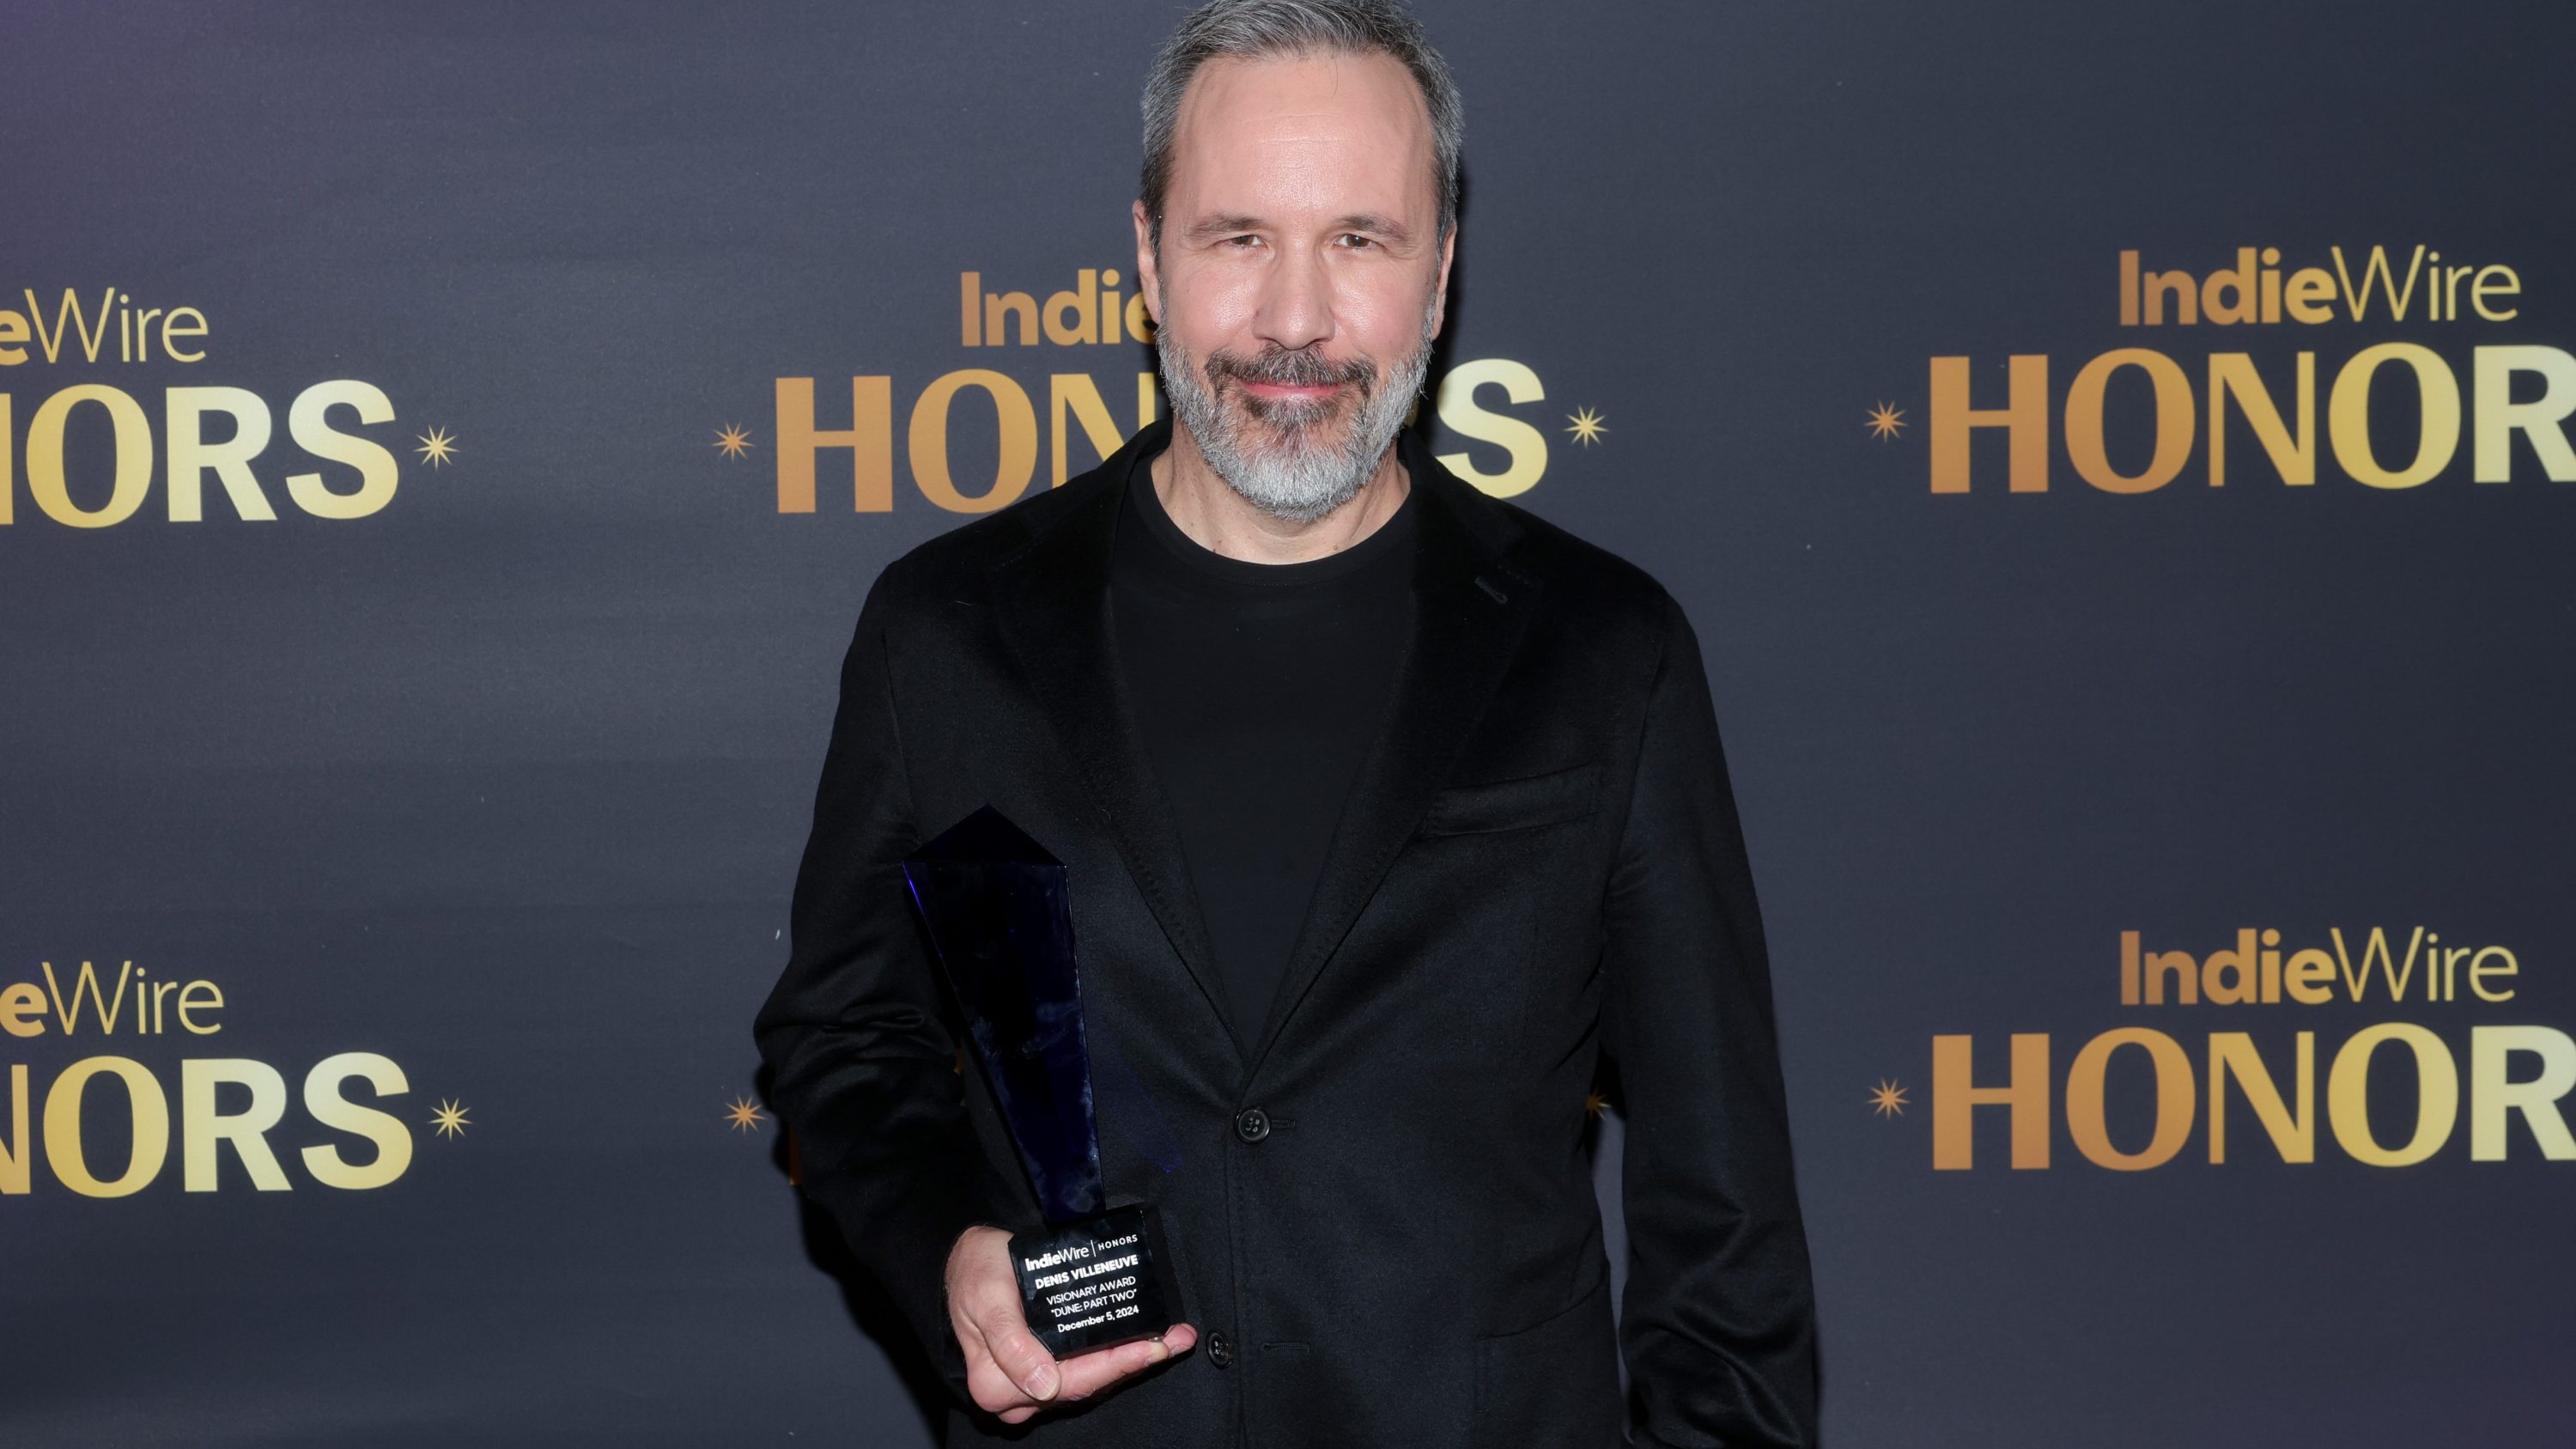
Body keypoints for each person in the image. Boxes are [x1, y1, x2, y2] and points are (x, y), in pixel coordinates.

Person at [751, 2, 1820, 1444]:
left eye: (1361, 241)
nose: (1296, 321)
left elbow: (1724, 1204)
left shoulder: (1602, 651)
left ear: (1438, 275)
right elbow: (844, 1034)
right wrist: (944, 1240)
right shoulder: (949, 632)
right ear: (1147, 257)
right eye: (1239, 237)